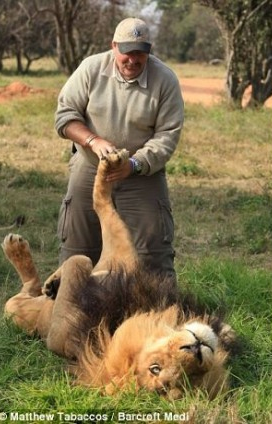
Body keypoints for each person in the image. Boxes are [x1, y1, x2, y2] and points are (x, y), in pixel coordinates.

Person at [54, 17, 184, 281]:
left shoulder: (165, 79)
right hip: (90, 165)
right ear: (114, 46)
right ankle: (68, 312)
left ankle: (162, 313)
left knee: (152, 254)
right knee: (78, 253)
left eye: (140, 54)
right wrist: (93, 141)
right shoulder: (91, 69)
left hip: (141, 171)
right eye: (127, 53)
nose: (133, 61)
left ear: (149, 51)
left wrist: (134, 165)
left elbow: (167, 136)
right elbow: (65, 116)